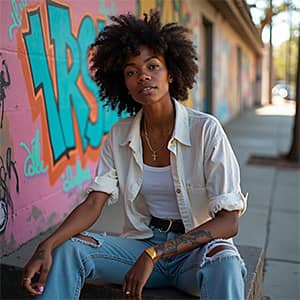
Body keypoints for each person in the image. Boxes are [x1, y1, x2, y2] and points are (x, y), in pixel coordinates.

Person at [22, 11, 247, 300]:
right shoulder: (119, 135)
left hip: (195, 253)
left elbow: (230, 221)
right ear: (123, 84)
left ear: (172, 73)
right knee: (68, 249)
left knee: (225, 260)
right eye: (131, 71)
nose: (143, 76)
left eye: (153, 66)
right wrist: (46, 245)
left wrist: (156, 254)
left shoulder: (205, 130)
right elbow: (94, 204)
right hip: (141, 245)